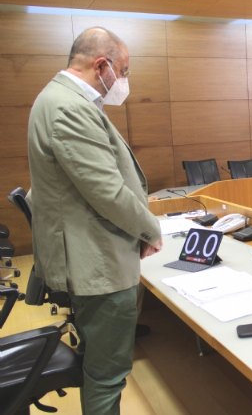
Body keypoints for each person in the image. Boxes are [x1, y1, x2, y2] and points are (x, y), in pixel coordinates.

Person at [28, 27, 163, 414]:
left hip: (91, 256)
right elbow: (108, 191)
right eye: (123, 70)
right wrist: (150, 229)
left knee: (100, 365)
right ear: (100, 65)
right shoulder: (69, 107)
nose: (124, 81)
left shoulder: (60, 99)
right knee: (108, 374)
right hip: (98, 265)